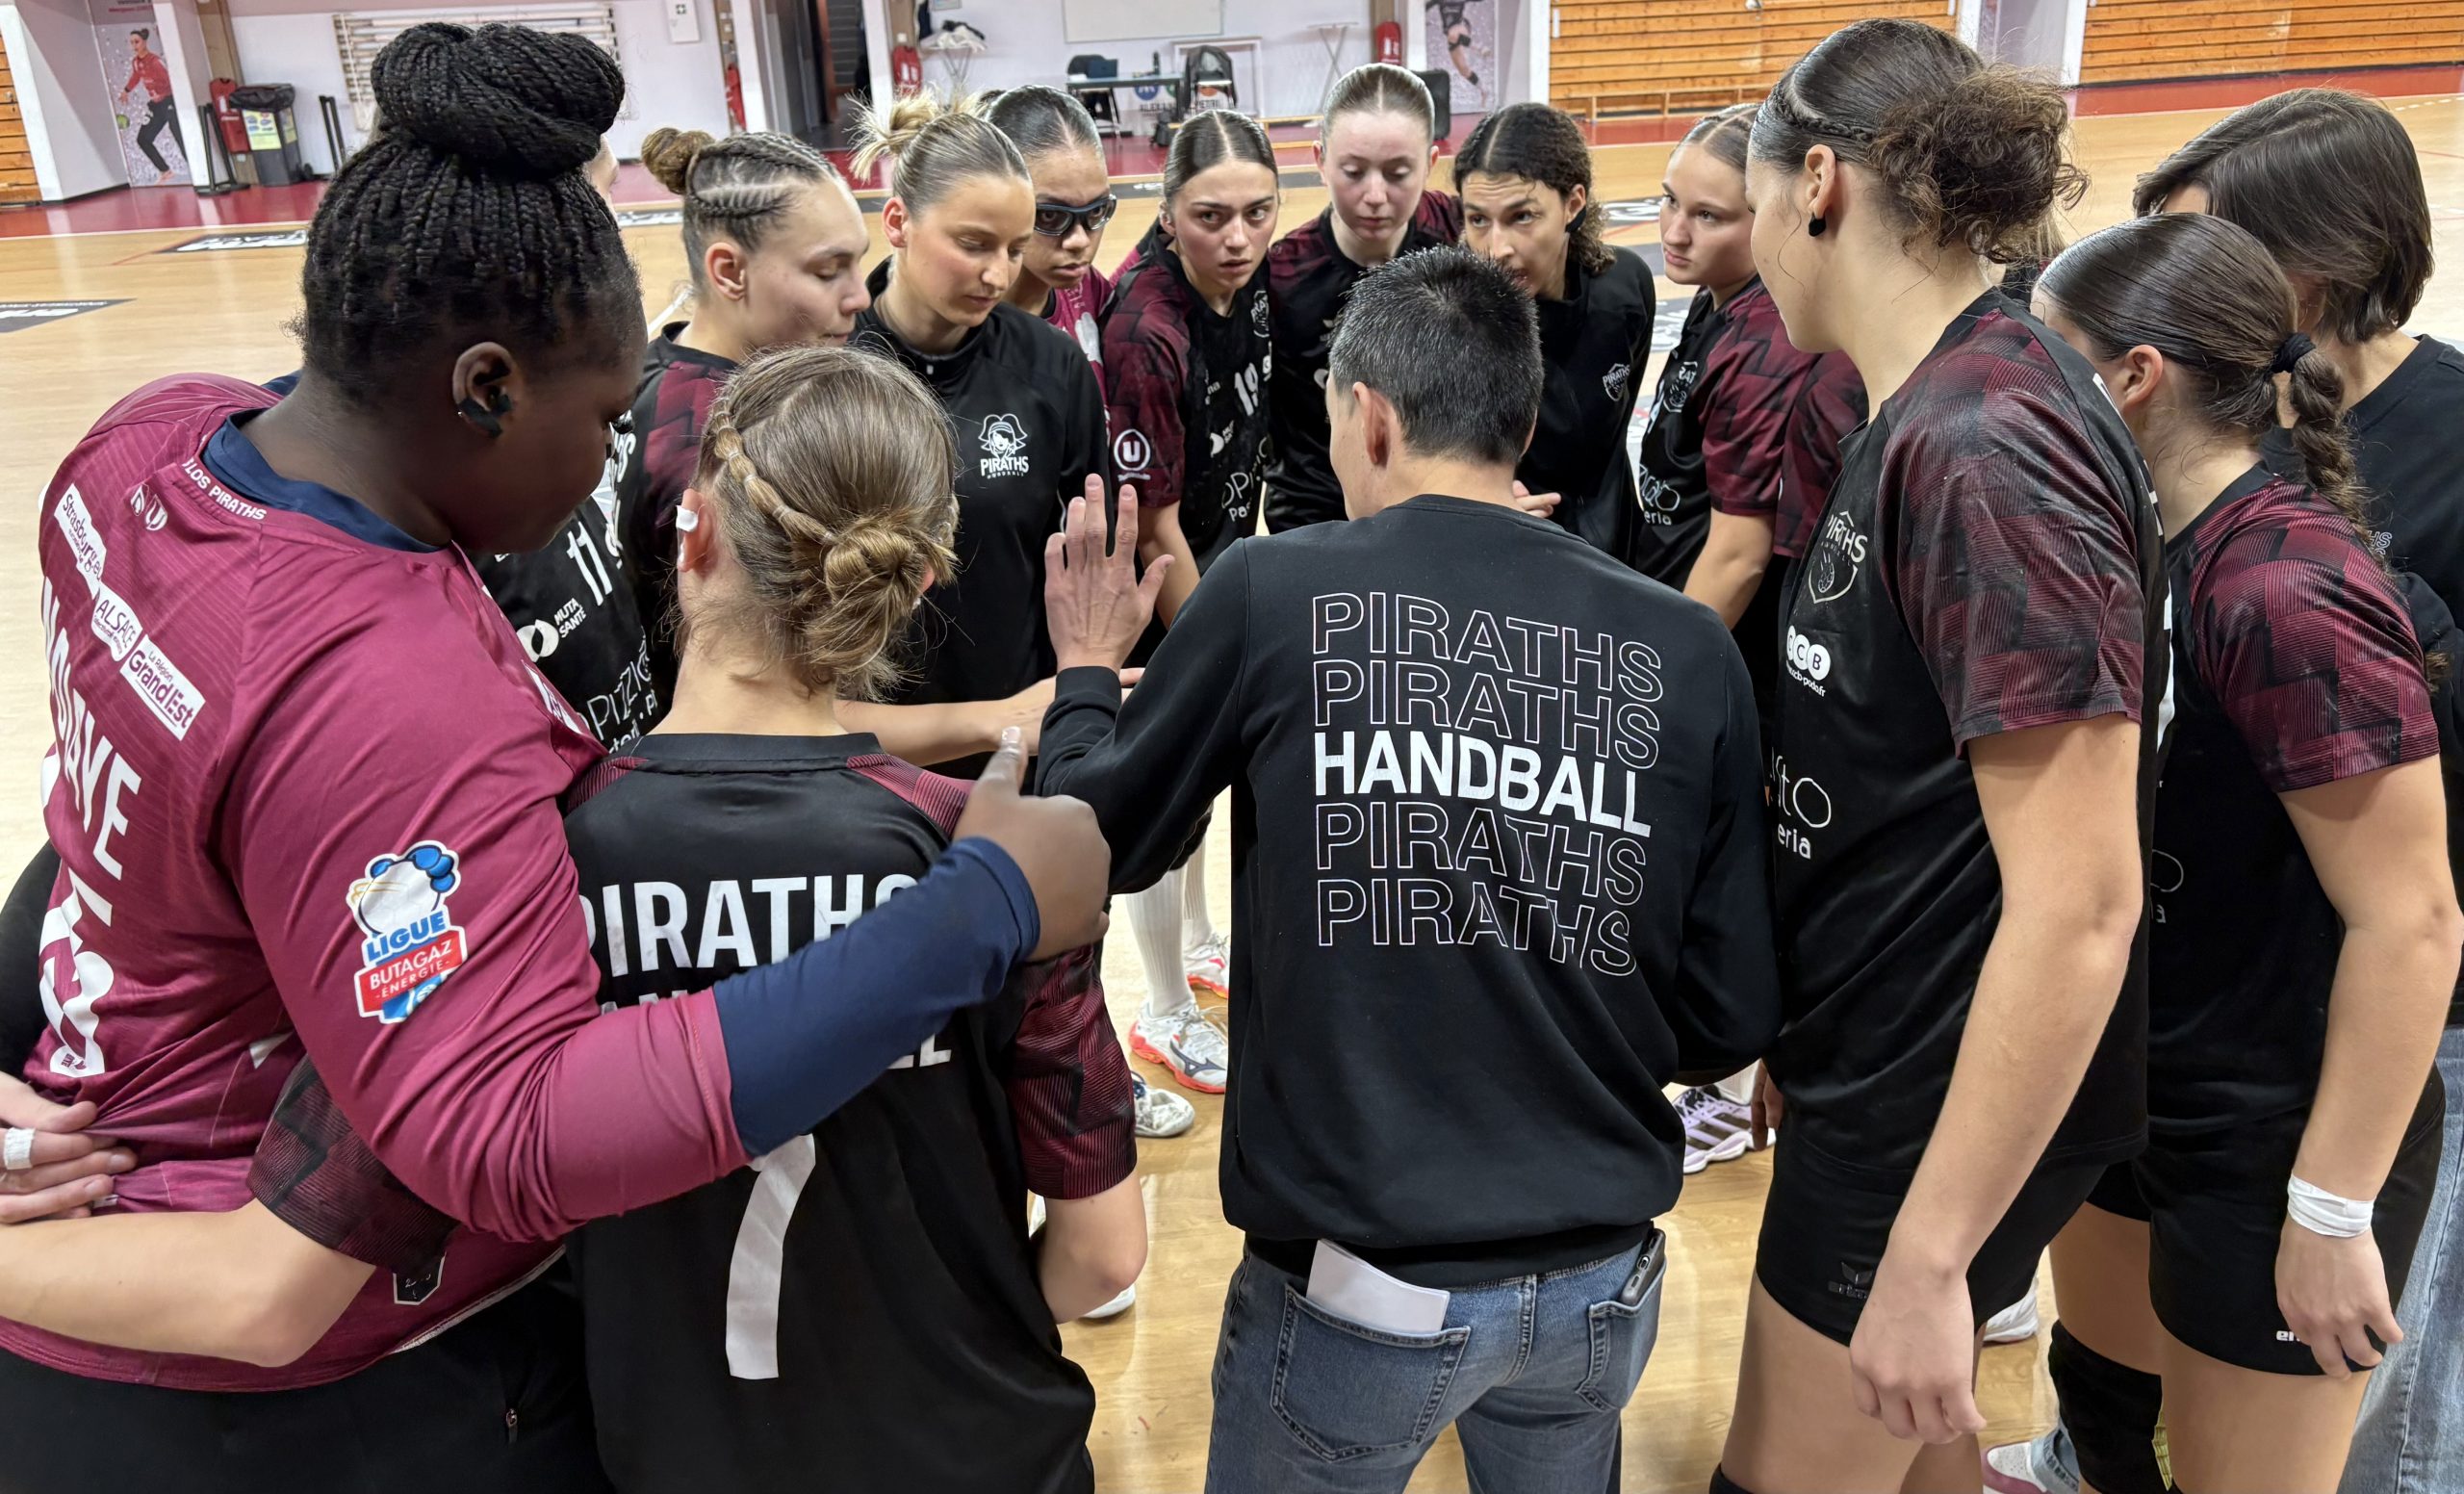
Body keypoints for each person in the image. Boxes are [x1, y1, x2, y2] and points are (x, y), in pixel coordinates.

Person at [0, 23, 1106, 1488]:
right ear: (482, 386)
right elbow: (503, 1134)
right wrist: (978, 911)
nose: (611, 461)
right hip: (291, 1399)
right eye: (599, 417)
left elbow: (118, 811)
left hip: (120, 1212)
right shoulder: (389, 687)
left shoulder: (148, 447)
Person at [1037, 245, 1783, 1494]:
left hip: (1358, 1284)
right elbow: (1724, 1019)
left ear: (1367, 418)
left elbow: (1090, 846)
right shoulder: (1684, 645)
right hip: (1602, 1281)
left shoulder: (1274, 588)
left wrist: (1081, 674)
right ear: (1527, 421)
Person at [1992, 89, 2464, 1494]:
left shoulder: (2288, 586)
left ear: (2138, 374)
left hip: (2284, 1110)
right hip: (2170, 1071)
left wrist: (2329, 1207)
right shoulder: (2167, 536)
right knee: (2108, 1391)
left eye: (2052, 372)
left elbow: (2415, 921)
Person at [1713, 20, 2162, 1494]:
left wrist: (1931, 1253)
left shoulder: (1983, 446)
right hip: (1885, 1068)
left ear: (1818, 184)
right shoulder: (1934, 402)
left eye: (1754, 193)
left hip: (1922, 1121)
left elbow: (2082, 902)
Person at [1632, 102, 1865, 1176]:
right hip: (1702, 631)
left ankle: (1733, 1091)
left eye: (1710, 214)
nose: (1675, 231)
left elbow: (1736, 551)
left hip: (1738, 648)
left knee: (1738, 858)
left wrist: (1644, 674)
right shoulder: (1717, 307)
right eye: (1670, 202)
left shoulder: (1772, 348)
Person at [1095, 108, 1281, 1100]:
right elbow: (1155, 525)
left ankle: (1203, 943)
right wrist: (1227, 643)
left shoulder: (1244, 288)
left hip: (1211, 552)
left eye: (1257, 212)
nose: (1238, 237)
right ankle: (1162, 1007)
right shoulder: (1146, 329)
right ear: (1168, 212)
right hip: (1153, 578)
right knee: (1165, 793)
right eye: (1211, 215)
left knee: (1205, 787)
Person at [847, 93, 1113, 776]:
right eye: (974, 245)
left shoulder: (1050, 365)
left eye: (1016, 249)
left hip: (1019, 744)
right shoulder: (832, 371)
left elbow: (1091, 558)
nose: (998, 274)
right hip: (874, 759)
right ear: (898, 222)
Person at [614, 126, 870, 703]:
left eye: (859, 264)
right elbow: (765, 706)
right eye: (829, 270)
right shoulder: (723, 449)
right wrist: (999, 719)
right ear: (730, 271)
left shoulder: (660, 374)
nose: (860, 297)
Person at [1452, 102, 1656, 564]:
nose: (1497, 249)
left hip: (1618, 547)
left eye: (1522, 217)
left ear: (1573, 204)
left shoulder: (1625, 288)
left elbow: (1614, 431)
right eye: (1478, 220)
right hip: (1510, 558)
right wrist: (1478, 506)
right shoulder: (1450, 325)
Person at [1264, 63, 1460, 533]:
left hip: (1436, 503)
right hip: (1313, 511)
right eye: (1352, 172)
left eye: (1398, 173)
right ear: (1320, 160)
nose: (1375, 195)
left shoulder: (1461, 237)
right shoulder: (1280, 274)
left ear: (1431, 164)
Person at [986, 86, 1119, 386]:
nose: (1080, 241)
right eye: (1050, 215)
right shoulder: (961, 333)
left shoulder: (1088, 287)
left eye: (1097, 212)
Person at [120, 30, 182, 180]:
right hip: (155, 106)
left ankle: (197, 169)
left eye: (137, 42)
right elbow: (136, 77)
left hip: (169, 101)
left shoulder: (155, 61)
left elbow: (170, 80)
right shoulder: (136, 62)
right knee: (143, 139)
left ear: (144, 42)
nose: (134, 45)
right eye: (132, 42)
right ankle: (165, 171)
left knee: (179, 135)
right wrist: (126, 91)